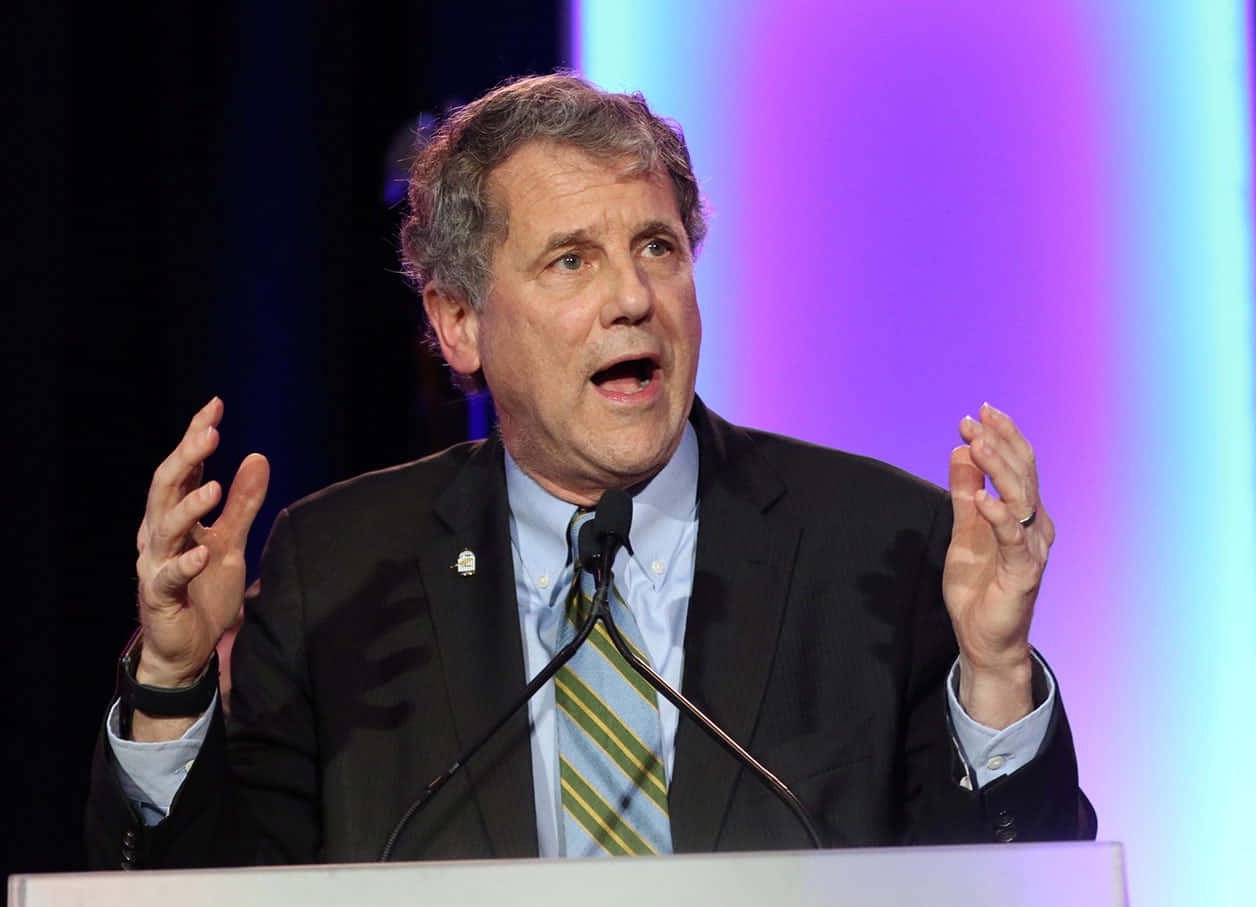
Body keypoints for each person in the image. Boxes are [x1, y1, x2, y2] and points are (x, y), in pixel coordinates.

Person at [86, 73, 1094, 869]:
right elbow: (214, 891)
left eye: (657, 247)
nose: (633, 298)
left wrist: (997, 676)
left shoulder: (881, 546)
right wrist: (172, 685)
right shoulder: (343, 572)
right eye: (571, 260)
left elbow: (1016, 883)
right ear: (459, 322)